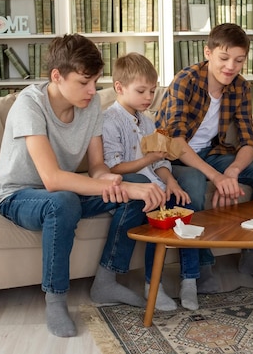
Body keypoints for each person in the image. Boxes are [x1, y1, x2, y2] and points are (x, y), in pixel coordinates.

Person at [0, 34, 166, 338]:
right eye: (83, 82)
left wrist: (113, 181)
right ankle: (56, 299)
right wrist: (121, 187)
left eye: (95, 82)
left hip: (67, 193)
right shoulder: (29, 104)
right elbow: (52, 180)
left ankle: (106, 282)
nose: (91, 91)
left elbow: (98, 167)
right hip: (19, 195)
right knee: (64, 201)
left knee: (134, 185)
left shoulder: (92, 103)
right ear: (57, 76)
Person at [155, 23, 253, 293]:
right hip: (173, 158)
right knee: (197, 183)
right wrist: (217, 177)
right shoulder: (185, 81)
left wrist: (233, 171)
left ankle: (252, 255)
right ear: (208, 53)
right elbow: (175, 142)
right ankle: (203, 265)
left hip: (213, 154)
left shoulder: (241, 88)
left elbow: (249, 142)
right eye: (224, 58)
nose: (230, 67)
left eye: (239, 60)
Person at [102, 52, 200, 311]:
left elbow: (161, 162)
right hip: (130, 185)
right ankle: (152, 286)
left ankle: (189, 279)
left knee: (185, 203)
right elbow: (115, 167)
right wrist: (152, 159)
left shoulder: (148, 122)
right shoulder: (108, 121)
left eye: (152, 91)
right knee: (160, 207)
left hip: (154, 183)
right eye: (142, 91)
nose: (149, 97)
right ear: (119, 88)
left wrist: (173, 183)